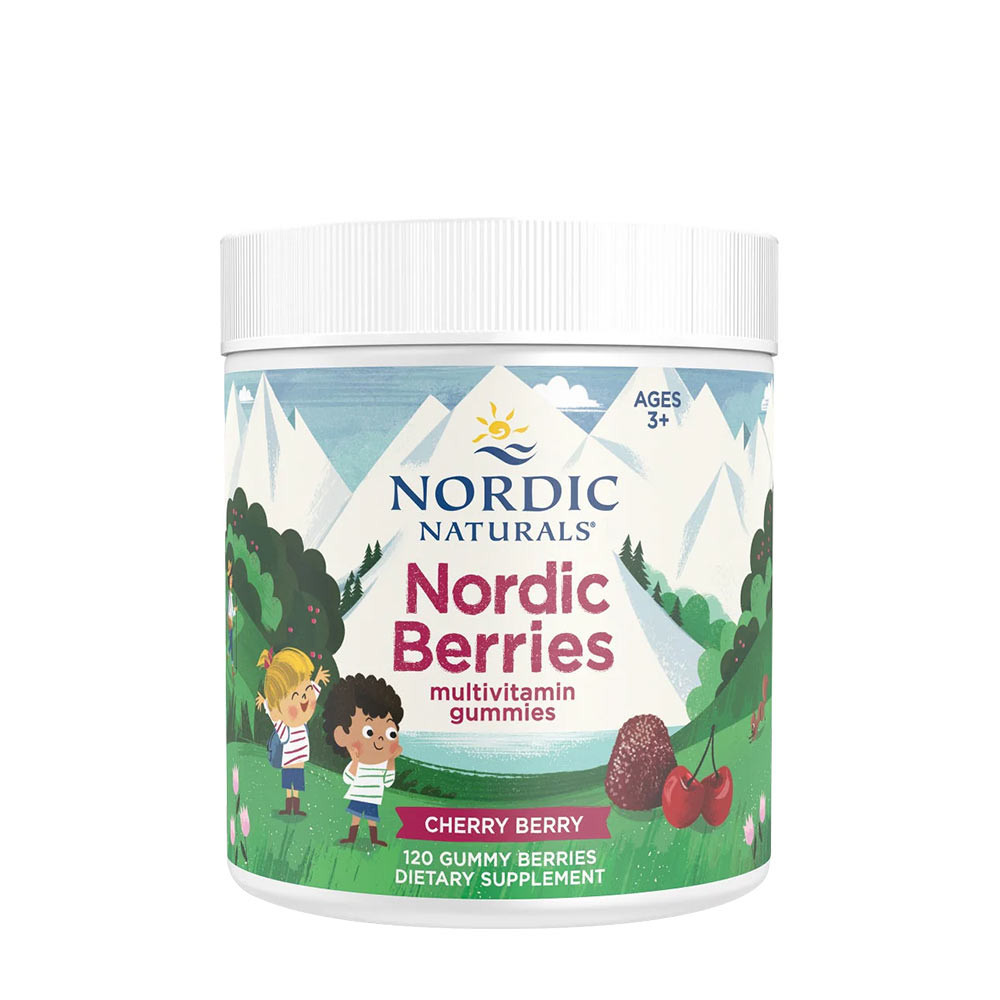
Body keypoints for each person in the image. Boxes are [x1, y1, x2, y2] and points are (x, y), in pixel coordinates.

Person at [322, 674, 404, 847]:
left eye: (390, 733)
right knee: (355, 818)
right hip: (359, 795)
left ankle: (374, 840)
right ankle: (351, 838)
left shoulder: (383, 763)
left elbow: (388, 782)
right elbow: (348, 778)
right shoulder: (358, 762)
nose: (380, 739)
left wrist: (391, 760)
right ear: (342, 736)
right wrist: (355, 761)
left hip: (373, 798)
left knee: (372, 819)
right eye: (369, 732)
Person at [256, 647, 330, 815]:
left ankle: (295, 809)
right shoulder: (286, 728)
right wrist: (267, 705)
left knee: (295, 787)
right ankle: (289, 808)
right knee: (289, 787)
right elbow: (275, 716)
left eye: (307, 690)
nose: (304, 699)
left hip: (299, 763)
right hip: (289, 762)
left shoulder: (302, 722)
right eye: (295, 696)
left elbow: (311, 696)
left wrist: (316, 681)